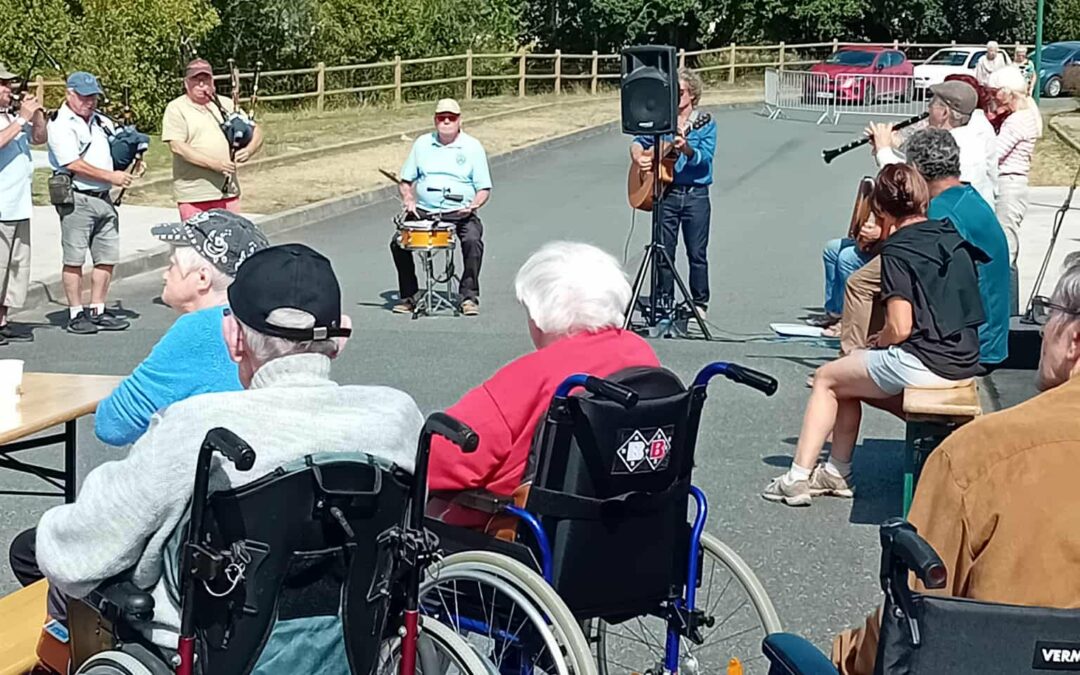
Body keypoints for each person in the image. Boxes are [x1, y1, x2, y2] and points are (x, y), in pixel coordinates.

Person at [8, 243, 423, 646]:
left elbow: (84, 549)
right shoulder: (397, 416)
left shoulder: (198, 426)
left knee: (48, 553)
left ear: (233, 338)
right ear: (340, 336)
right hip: (351, 638)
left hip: (212, 642)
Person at [831, 261, 1080, 675]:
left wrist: (845, 654)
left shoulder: (980, 456)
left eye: (1048, 312)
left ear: (1075, 340)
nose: (1041, 332)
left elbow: (909, 619)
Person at [764, 164, 985, 507]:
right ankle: (836, 473)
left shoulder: (897, 250)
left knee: (826, 379)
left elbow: (899, 327)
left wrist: (876, 342)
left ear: (880, 209)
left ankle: (796, 478)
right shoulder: (949, 235)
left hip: (926, 361)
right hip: (965, 357)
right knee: (847, 377)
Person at [426, 241, 659, 502]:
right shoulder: (641, 354)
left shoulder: (529, 377)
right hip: (633, 513)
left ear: (536, 317)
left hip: (523, 525)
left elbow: (438, 462)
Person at [94, 210, 269, 446]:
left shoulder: (200, 329)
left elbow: (113, 424)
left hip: (211, 473)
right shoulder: (266, 322)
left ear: (202, 279)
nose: (165, 275)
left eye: (172, 264)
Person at [629, 68, 717, 326]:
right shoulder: (661, 119)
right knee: (663, 250)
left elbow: (705, 158)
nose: (676, 97)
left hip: (695, 195)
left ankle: (699, 303)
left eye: (680, 93)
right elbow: (639, 140)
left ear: (692, 95)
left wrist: (686, 148)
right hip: (665, 192)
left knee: (696, 252)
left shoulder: (705, 123)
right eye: (673, 93)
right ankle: (663, 299)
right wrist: (638, 156)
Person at [47, 71, 133, 335]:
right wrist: (112, 176)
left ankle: (98, 308)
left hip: (104, 198)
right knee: (74, 258)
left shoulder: (101, 122)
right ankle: (76, 312)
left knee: (106, 257)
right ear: (69, 94)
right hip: (78, 197)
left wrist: (133, 148)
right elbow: (72, 163)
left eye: (93, 96)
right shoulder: (60, 124)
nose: (90, 102)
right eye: (84, 97)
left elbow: (118, 145)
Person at [391, 98, 491, 316]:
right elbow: (406, 181)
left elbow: (484, 188)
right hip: (425, 210)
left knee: (473, 241)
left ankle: (468, 296)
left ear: (459, 120)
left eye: (451, 118)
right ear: (435, 120)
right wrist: (408, 199)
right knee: (398, 243)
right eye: (441, 118)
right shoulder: (422, 144)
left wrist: (474, 205)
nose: (446, 121)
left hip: (460, 212)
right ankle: (409, 295)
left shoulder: (472, 147)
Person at [161, 59, 263, 220]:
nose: (202, 84)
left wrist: (248, 150)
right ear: (186, 83)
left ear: (212, 81)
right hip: (194, 195)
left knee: (232, 242)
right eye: (196, 80)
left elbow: (256, 130)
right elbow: (178, 147)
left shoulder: (227, 104)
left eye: (206, 79)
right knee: (198, 244)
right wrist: (215, 165)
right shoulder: (176, 108)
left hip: (228, 193)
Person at [871, 80, 996, 206]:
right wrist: (887, 146)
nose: (928, 109)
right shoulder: (971, 137)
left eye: (932, 104)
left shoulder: (952, 144)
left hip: (952, 217)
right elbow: (916, 167)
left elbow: (912, 182)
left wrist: (883, 150)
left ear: (944, 113)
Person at [0, 62, 47, 343]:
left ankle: (3, 319)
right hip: (1, 207)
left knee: (14, 268)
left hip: (18, 205)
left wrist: (36, 115)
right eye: (3, 85)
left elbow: (40, 138)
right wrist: (20, 121)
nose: (9, 89)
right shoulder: (11, 121)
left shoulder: (10, 117)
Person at [989, 65, 1043, 268]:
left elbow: (994, 153)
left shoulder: (1016, 121)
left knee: (1005, 249)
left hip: (1009, 184)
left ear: (1006, 92)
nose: (993, 98)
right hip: (1014, 183)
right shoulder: (1026, 113)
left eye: (995, 93)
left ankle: (1008, 296)